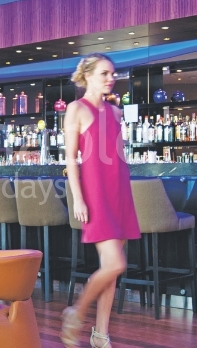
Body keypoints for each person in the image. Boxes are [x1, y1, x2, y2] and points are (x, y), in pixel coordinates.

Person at [60, 54, 140, 348]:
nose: (111, 78)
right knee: (116, 263)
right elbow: (71, 159)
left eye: (113, 74)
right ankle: (77, 312)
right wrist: (78, 199)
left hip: (120, 190)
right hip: (95, 193)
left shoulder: (116, 112)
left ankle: (101, 335)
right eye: (105, 73)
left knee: (112, 270)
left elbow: (117, 155)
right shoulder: (76, 109)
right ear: (88, 76)